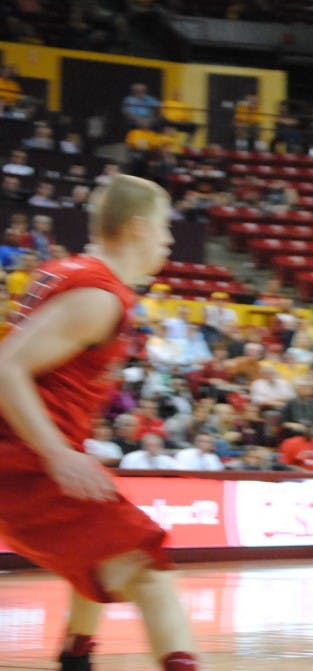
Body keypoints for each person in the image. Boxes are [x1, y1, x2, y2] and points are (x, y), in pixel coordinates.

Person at [0, 174, 199, 670]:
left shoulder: (68, 272)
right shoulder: (98, 295)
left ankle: (76, 655)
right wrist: (57, 452)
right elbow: (5, 368)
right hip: (21, 462)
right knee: (149, 574)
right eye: (164, 229)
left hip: (26, 454)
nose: (168, 242)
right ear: (137, 228)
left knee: (98, 558)